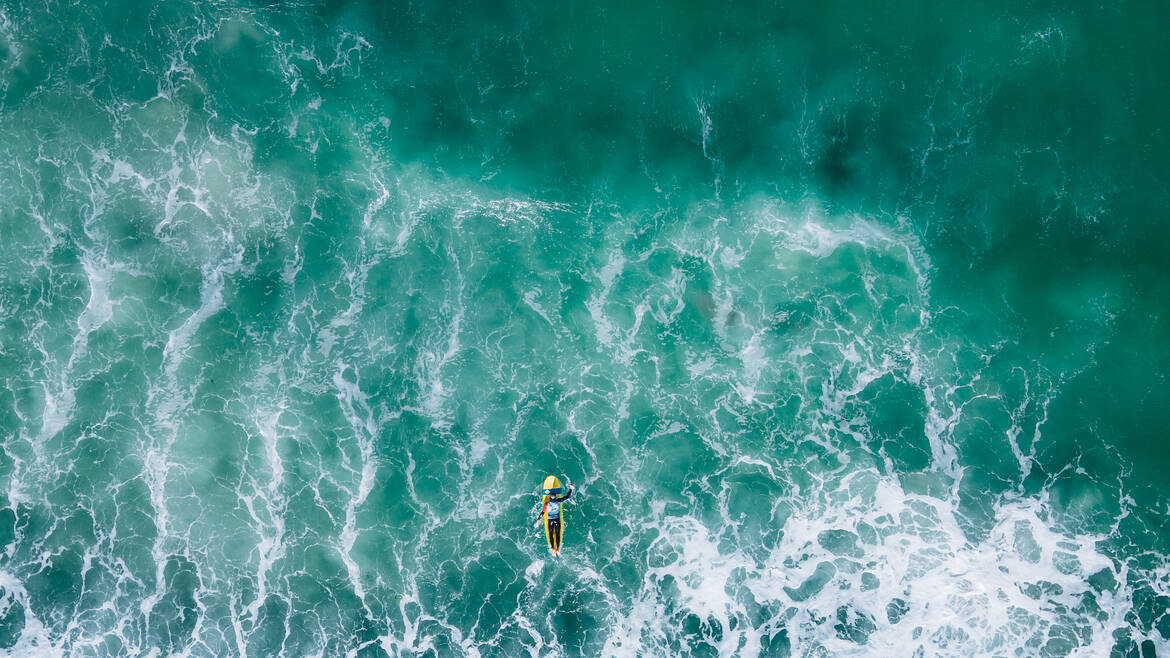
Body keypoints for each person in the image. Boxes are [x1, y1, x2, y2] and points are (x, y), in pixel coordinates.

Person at [534, 481, 574, 552]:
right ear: (555, 498)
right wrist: (571, 488)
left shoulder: (547, 504)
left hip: (550, 520)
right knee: (557, 534)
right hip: (557, 520)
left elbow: (542, 512)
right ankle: (557, 548)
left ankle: (553, 548)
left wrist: (538, 520)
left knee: (551, 534)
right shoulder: (558, 501)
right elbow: (567, 497)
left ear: (550, 498)